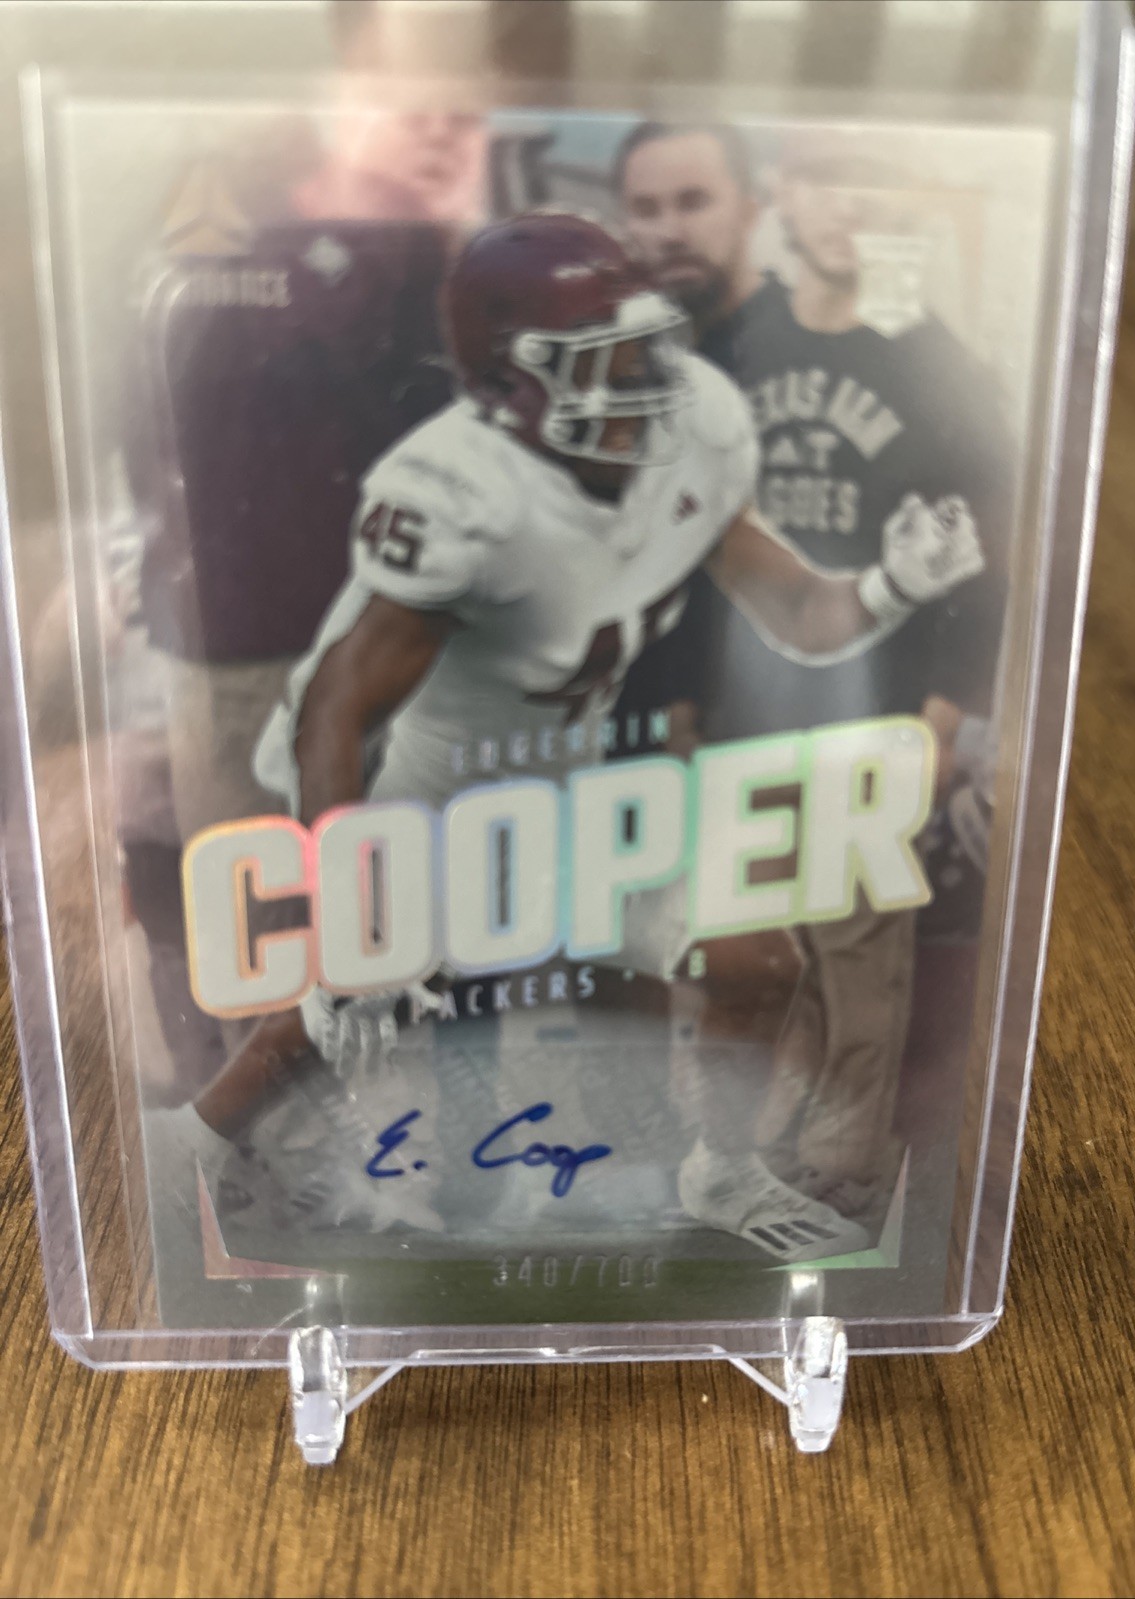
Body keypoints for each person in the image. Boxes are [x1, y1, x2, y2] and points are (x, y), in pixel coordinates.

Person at [163, 212, 986, 1257]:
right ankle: (188, 1147)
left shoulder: (692, 432)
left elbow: (800, 613)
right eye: (596, 361)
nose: (637, 383)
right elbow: (337, 703)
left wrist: (893, 584)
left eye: (638, 346)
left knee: (757, 962)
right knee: (336, 1013)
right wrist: (345, 907)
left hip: (573, 784)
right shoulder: (462, 492)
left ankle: (717, 1170)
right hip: (433, 792)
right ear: (507, 379)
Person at [616, 121, 1010, 1211]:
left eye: (875, 181)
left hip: (874, 710)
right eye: (826, 179)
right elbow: (689, 549)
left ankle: (840, 1162)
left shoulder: (936, 365)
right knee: (738, 946)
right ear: (781, 194)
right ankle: (735, 1149)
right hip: (739, 709)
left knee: (859, 948)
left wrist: (945, 714)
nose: (850, 205)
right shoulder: (735, 344)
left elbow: (985, 563)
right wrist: (679, 700)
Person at [113, 1, 486, 1102]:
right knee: (261, 921)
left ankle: (386, 1140)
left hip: (386, 644)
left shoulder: (424, 249)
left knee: (386, 919)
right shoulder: (221, 202)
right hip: (236, 643)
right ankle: (266, 1148)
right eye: (414, 100)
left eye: (457, 110)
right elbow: (157, 406)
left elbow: (449, 433)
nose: (437, 127)